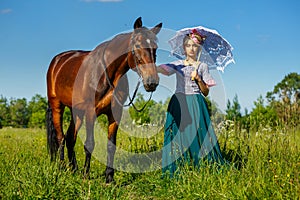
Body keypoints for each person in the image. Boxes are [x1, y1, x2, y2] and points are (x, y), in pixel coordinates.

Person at [157, 29, 226, 177]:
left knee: (197, 134)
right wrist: (151, 68)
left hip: (195, 101)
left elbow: (206, 92)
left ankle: (200, 165)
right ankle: (179, 166)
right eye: (188, 45)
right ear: (184, 48)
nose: (191, 49)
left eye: (194, 46)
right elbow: (164, 70)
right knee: (177, 135)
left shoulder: (202, 67)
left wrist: (199, 79)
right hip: (179, 102)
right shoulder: (178, 64)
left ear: (199, 48)